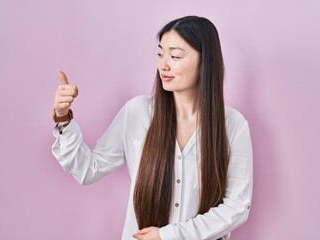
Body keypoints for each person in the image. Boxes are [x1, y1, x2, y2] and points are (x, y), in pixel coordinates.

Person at [52, 16, 253, 240]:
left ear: (205, 60)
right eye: (160, 54)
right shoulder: (137, 112)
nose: (163, 65)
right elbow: (87, 169)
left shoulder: (233, 126)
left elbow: (237, 207)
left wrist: (168, 236)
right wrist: (63, 118)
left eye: (175, 56)